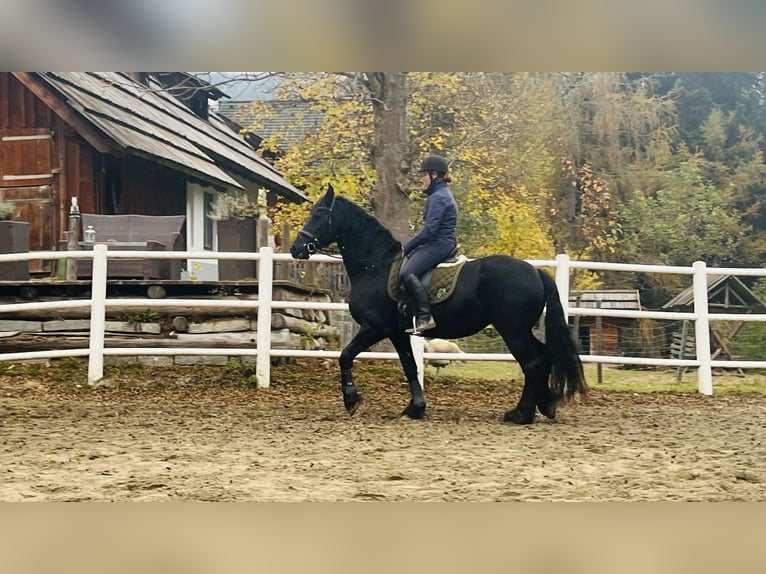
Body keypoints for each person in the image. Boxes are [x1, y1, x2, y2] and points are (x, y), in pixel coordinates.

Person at [399, 154, 458, 335]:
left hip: (439, 243)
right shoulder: (440, 194)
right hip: (441, 242)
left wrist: (407, 246)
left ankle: (425, 316)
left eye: (424, 175)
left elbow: (430, 230)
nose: (422, 179)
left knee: (408, 272)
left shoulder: (438, 197)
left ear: (434, 175)